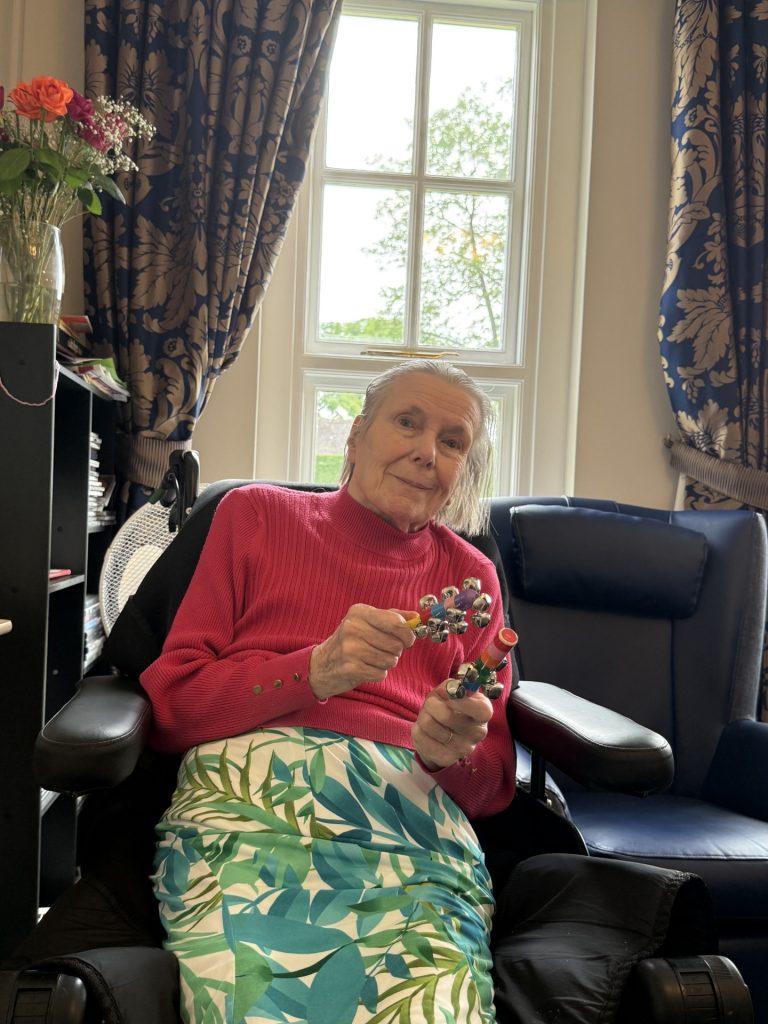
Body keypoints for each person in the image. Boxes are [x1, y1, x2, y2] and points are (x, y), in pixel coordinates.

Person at [140, 359, 516, 1024]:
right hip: (255, 806)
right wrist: (312, 671)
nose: (428, 452)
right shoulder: (254, 515)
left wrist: (449, 752)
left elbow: (491, 786)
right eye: (408, 423)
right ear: (356, 434)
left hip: (412, 824)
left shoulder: (473, 576)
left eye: (453, 441)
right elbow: (172, 708)